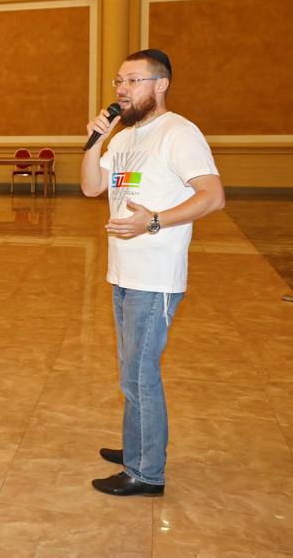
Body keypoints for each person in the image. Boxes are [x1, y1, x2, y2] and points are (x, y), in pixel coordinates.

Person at [81, 49, 224, 497]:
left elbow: (213, 196)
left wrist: (154, 221)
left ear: (160, 85)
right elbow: (91, 186)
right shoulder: (124, 137)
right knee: (130, 371)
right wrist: (95, 141)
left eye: (132, 80)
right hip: (123, 273)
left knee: (141, 374)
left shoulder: (178, 133)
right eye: (118, 81)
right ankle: (137, 445)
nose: (122, 89)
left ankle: (146, 473)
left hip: (155, 276)